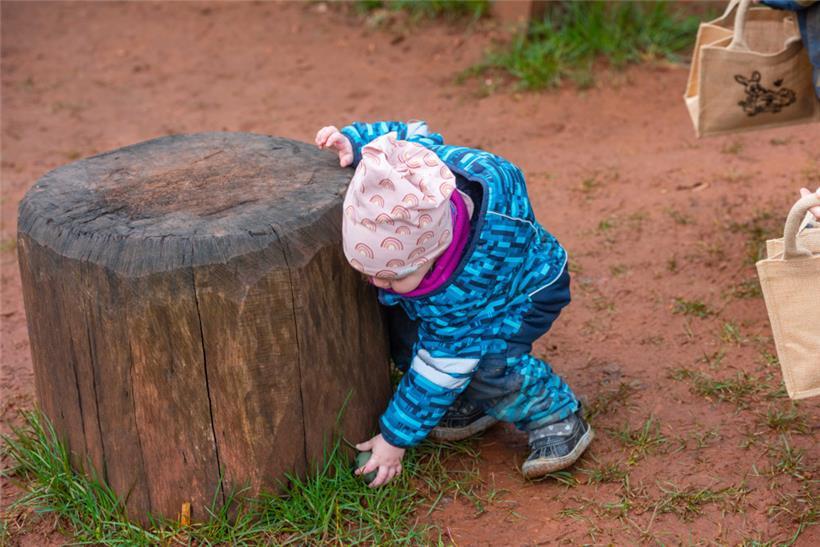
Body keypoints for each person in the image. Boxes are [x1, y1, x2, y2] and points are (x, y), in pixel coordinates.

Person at [315, 120, 592, 487]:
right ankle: (473, 403)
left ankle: (556, 418)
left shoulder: (460, 291)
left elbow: (441, 365)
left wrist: (395, 437)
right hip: (477, 290)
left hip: (526, 292)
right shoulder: (421, 173)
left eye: (393, 277)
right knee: (406, 330)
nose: (378, 284)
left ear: (434, 252)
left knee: (489, 364)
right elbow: (406, 136)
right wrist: (357, 141)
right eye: (369, 273)